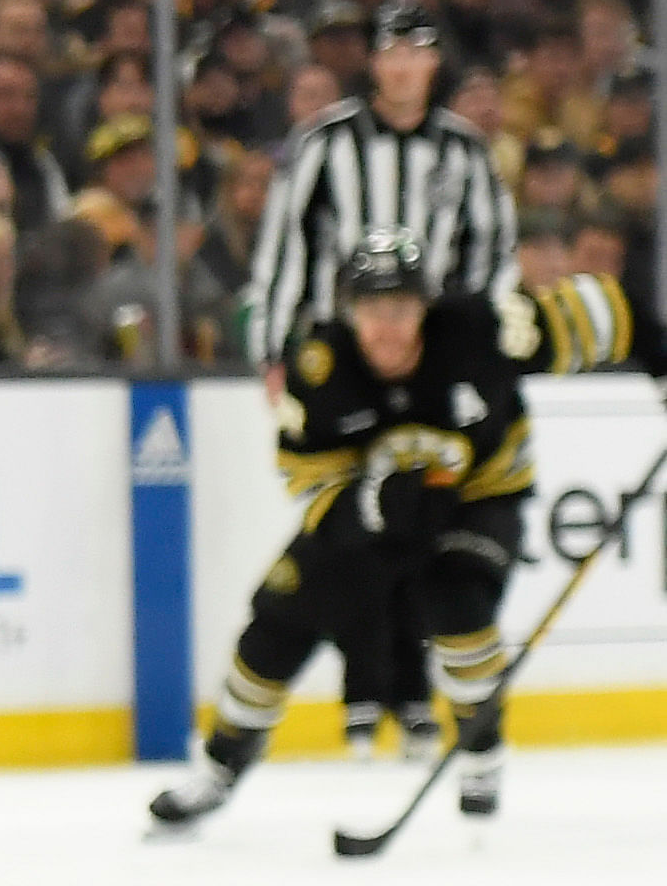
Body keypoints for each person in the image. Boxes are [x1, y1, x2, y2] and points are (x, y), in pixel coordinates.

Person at [148, 231, 643, 834]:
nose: (388, 326)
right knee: (275, 624)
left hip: (479, 498)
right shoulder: (319, 368)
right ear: (349, 311)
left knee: (458, 604)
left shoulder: (482, 327)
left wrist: (661, 352)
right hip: (373, 521)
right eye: (373, 309)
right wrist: (371, 506)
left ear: (425, 307)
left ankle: (481, 752)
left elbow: (600, 311)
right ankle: (221, 767)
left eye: (402, 308)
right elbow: (310, 482)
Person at [249, 0, 519, 756]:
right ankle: (366, 689)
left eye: (418, 52)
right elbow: (287, 250)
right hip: (346, 360)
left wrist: (480, 353)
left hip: (428, 363)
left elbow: (491, 257)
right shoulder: (326, 143)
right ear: (374, 61)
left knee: (423, 520)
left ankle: (413, 690)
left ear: (434, 62)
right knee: (350, 528)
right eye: (391, 51)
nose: (404, 66)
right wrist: (277, 352)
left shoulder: (464, 151)